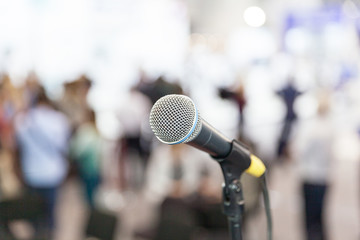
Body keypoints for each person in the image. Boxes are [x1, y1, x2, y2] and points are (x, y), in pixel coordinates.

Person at [14, 87, 71, 238]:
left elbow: (17, 148)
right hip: (53, 174)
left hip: (31, 174)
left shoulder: (23, 120)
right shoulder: (59, 120)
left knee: (33, 215)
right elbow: (65, 147)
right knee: (50, 213)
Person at [293, 90, 334, 240]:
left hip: (310, 176)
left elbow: (299, 150)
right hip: (324, 177)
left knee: (309, 220)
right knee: (320, 217)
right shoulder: (330, 127)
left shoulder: (311, 127)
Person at [70, 109, 102, 208]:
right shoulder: (96, 130)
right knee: (94, 194)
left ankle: (92, 216)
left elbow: (78, 150)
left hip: (87, 168)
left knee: (89, 197)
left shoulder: (85, 131)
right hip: (97, 167)